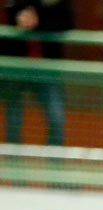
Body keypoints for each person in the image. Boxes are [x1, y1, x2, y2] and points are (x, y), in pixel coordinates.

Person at [2, 0, 75, 147]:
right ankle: (13, 164)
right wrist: (21, 17)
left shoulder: (61, 6)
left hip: (46, 70)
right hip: (16, 68)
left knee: (56, 117)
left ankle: (54, 165)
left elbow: (66, 23)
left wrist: (38, 21)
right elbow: (11, 15)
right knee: (13, 120)